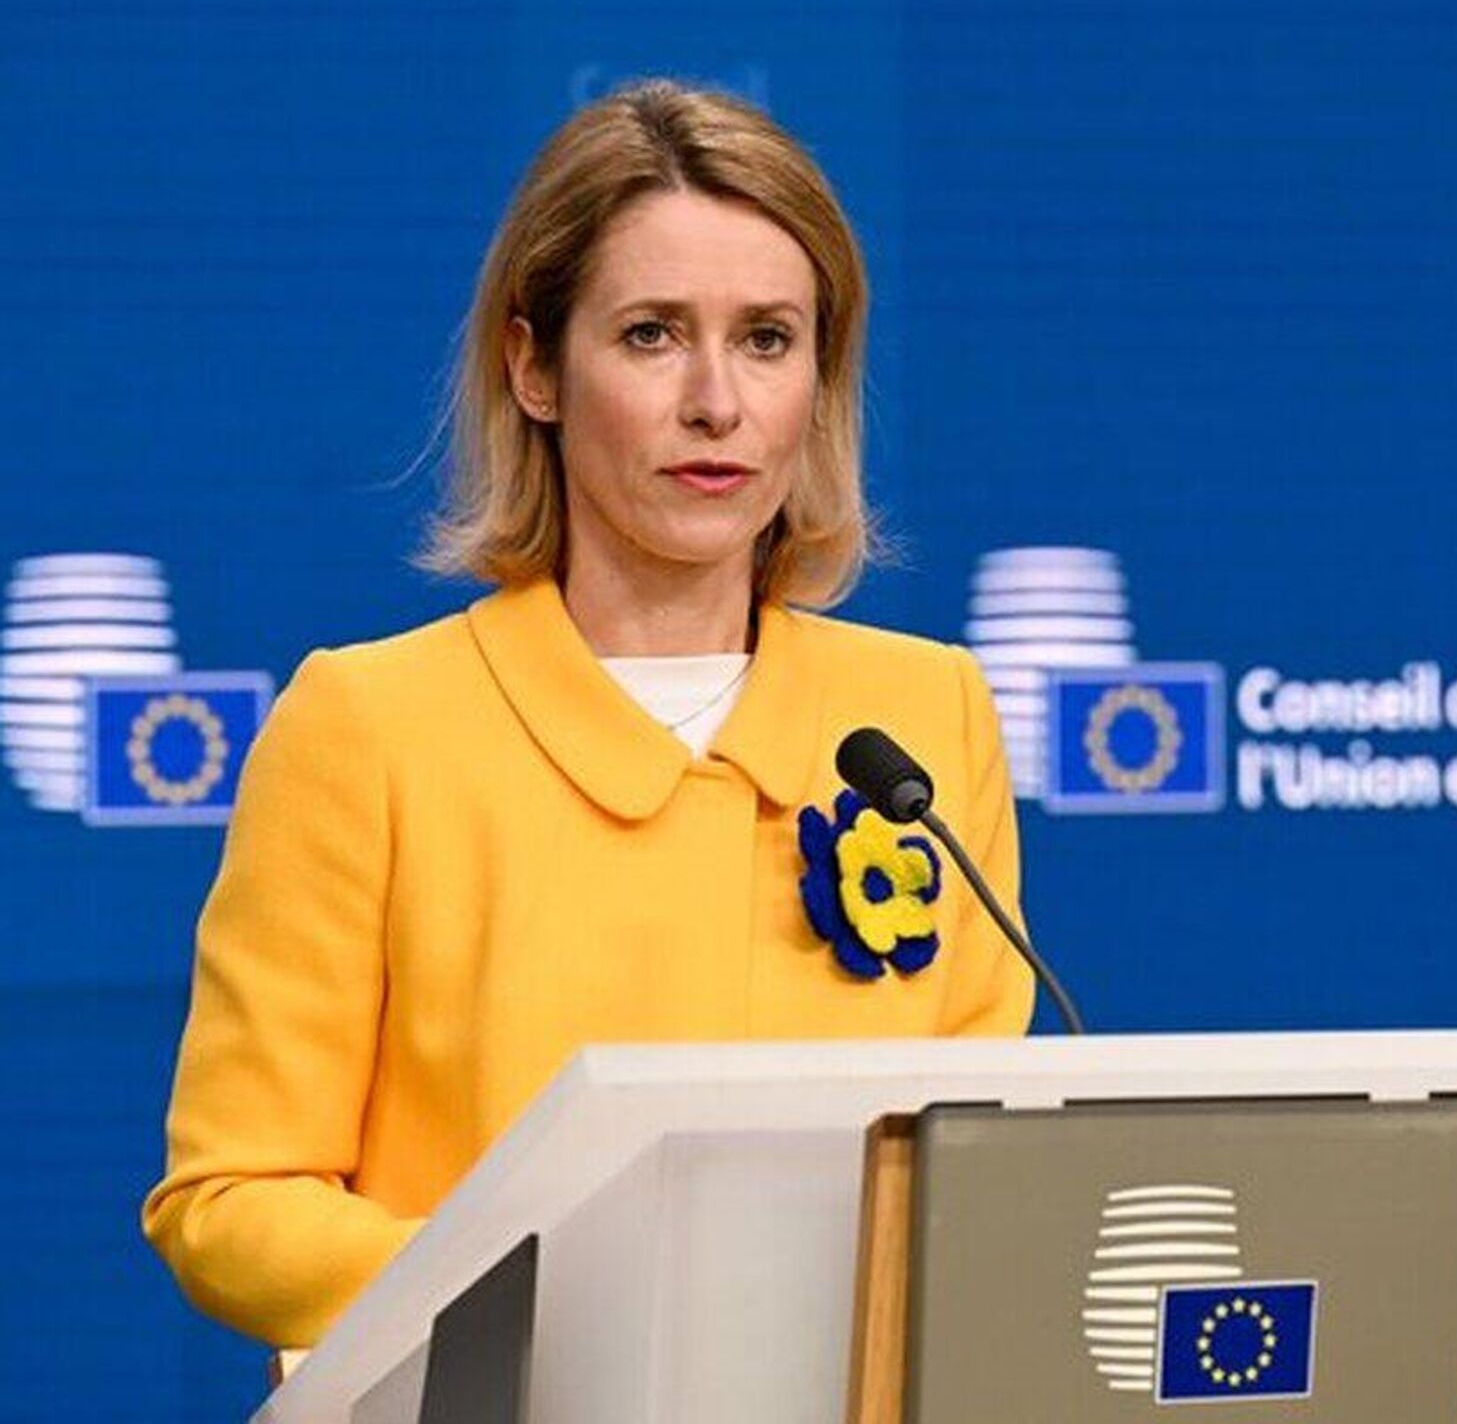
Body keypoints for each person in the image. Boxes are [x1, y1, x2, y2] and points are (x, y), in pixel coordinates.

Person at [141, 79, 1035, 1349]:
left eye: (768, 339)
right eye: (653, 335)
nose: (717, 402)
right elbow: (232, 1204)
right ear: (535, 367)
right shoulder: (370, 727)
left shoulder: (923, 713)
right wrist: (555, 1290)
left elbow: (982, 1177)